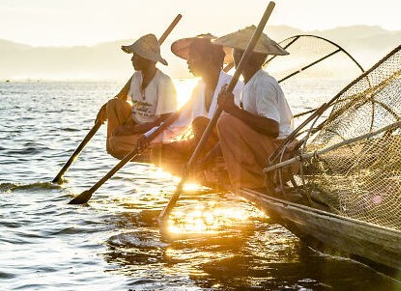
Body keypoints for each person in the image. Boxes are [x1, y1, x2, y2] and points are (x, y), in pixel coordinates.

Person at [213, 26, 293, 190]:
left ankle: (253, 182)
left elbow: (272, 128)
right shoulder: (248, 84)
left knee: (226, 121)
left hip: (282, 158)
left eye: (246, 53)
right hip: (269, 153)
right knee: (224, 122)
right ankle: (249, 176)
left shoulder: (263, 83)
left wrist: (233, 109)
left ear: (260, 58)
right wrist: (203, 159)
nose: (240, 56)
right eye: (238, 51)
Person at [149, 34, 242, 168]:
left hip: (225, 149)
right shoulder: (198, 89)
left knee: (200, 125)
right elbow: (177, 123)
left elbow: (236, 132)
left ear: (208, 59)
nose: (188, 61)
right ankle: (194, 171)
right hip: (202, 146)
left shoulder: (233, 87)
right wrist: (148, 138)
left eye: (192, 56)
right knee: (158, 153)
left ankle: (201, 167)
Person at [98, 33, 177, 158]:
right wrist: (105, 108)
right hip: (138, 126)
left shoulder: (163, 82)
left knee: (116, 143)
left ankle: (149, 150)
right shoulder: (136, 77)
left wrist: (131, 131)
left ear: (147, 58)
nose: (132, 59)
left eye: (136, 55)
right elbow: (120, 98)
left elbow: (165, 121)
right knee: (113, 104)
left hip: (153, 134)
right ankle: (116, 146)